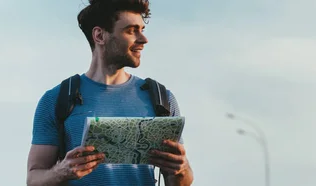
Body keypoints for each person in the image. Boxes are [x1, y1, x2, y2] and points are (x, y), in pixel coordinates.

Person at [25, 0, 194, 185]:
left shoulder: (162, 100)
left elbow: (180, 181)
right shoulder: (56, 99)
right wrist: (62, 171)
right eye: (131, 30)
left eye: (142, 30)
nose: (143, 39)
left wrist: (181, 169)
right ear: (99, 35)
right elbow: (34, 179)